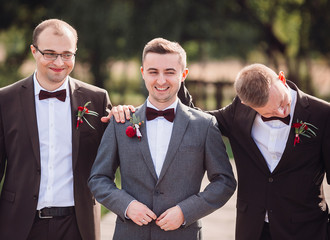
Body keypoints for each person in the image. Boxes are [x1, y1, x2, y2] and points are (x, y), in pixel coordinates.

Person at [0, 18, 127, 240]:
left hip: (79, 226)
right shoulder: (5, 99)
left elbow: (116, 157)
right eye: (50, 53)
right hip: (19, 226)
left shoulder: (97, 99)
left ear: (75, 53)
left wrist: (127, 117)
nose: (59, 62)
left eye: (67, 54)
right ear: (34, 51)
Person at [88, 37, 236, 240]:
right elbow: (98, 179)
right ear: (142, 73)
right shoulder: (121, 122)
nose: (161, 80)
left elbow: (224, 181)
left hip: (183, 235)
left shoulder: (204, 125)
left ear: (183, 74)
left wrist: (186, 212)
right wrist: (127, 205)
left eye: (169, 72)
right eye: (153, 72)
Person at [176, 63, 330, 240]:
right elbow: (197, 119)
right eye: (270, 111)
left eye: (281, 102)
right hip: (252, 230)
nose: (281, 111)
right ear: (246, 104)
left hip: (307, 231)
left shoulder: (323, 114)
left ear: (281, 78)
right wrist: (176, 79)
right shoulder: (238, 112)